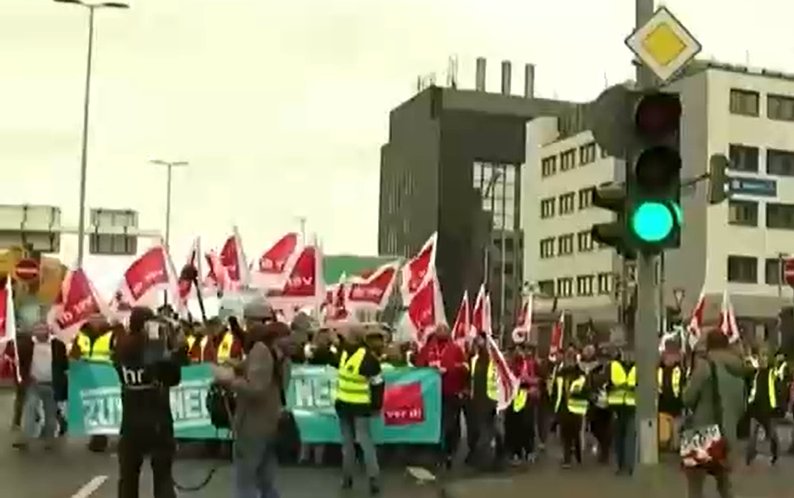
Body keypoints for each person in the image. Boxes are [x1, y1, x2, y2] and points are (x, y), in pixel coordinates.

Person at [114, 307, 182, 498]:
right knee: (162, 476)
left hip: (130, 421)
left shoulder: (121, 348)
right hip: (157, 420)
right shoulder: (156, 350)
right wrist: (172, 348)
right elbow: (174, 377)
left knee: (128, 477)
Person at [682, 329, 748, 498]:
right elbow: (742, 406)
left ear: (709, 345)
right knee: (725, 485)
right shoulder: (739, 369)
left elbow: (687, 398)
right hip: (727, 434)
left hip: (702, 433)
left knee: (695, 485)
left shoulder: (705, 366)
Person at [334, 324, 384, 496]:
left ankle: (347, 478)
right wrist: (377, 406)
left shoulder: (342, 353)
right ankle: (374, 479)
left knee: (347, 444)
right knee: (365, 442)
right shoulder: (369, 359)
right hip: (361, 406)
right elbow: (378, 383)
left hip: (343, 405)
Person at [414, 323, 468, 469]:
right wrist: (429, 369)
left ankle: (450, 452)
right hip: (432, 394)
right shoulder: (428, 349)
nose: (441, 332)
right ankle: (438, 452)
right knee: (435, 424)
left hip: (451, 392)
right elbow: (418, 367)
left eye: (444, 330)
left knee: (450, 424)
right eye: (439, 330)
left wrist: (450, 370)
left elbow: (465, 368)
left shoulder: (456, 349)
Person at [12, 322, 68, 450]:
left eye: (43, 328)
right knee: (30, 409)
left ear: (48, 330)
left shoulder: (58, 345)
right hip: (33, 383)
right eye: (37, 328)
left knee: (50, 413)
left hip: (52, 384)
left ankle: (49, 440)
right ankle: (25, 439)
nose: (40, 331)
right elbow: (19, 361)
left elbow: (63, 364)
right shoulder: (26, 345)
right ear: (33, 331)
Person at [552, 345, 588, 468]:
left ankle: (577, 456)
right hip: (564, 407)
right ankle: (567, 459)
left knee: (575, 433)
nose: (569, 359)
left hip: (577, 408)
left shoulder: (580, 374)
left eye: (571, 357)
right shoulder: (560, 373)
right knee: (566, 434)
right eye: (568, 356)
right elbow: (556, 390)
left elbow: (586, 390)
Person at [745, 347, 783, 465]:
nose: (762, 360)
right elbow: (753, 389)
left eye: (764, 357)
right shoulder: (756, 373)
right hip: (756, 408)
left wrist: (779, 364)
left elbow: (779, 374)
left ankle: (775, 454)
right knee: (752, 434)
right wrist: (750, 401)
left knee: (772, 434)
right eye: (761, 357)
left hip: (768, 409)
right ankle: (749, 457)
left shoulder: (771, 372)